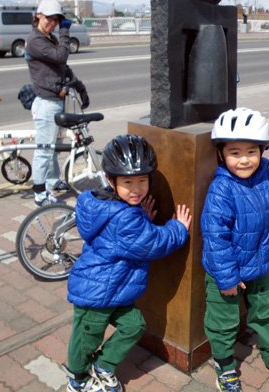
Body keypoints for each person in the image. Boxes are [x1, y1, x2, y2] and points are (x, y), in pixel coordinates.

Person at [63, 134, 192, 392]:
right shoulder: (125, 218)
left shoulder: (111, 206)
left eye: (142, 180)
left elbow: (127, 236)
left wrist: (142, 219)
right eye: (128, 182)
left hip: (114, 290)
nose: (136, 189)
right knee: (85, 341)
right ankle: (78, 382)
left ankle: (103, 366)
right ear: (111, 180)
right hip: (95, 294)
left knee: (134, 326)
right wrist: (178, 228)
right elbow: (153, 243)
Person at [201, 108, 269, 390]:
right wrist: (227, 278)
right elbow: (215, 238)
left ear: (263, 150)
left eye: (251, 151)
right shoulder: (221, 189)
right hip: (225, 273)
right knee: (223, 322)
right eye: (235, 153)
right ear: (221, 154)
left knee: (266, 313)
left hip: (259, 265)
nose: (244, 160)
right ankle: (225, 366)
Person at [25, 0, 90, 206]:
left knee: (52, 147)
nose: (52, 24)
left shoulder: (48, 38)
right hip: (46, 103)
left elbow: (63, 67)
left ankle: (52, 182)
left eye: (56, 20)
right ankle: (39, 193)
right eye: (49, 19)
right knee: (44, 150)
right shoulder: (35, 40)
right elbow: (61, 56)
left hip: (55, 101)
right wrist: (64, 33)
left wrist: (79, 86)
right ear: (38, 16)